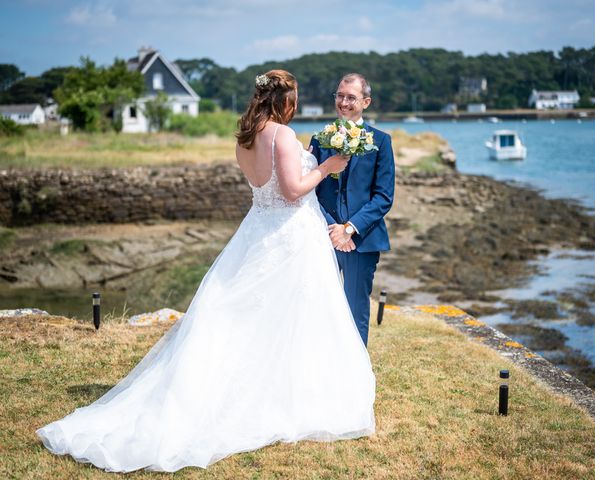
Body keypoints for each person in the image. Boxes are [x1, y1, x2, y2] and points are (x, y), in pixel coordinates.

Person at [36, 70, 376, 473]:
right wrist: (327, 167)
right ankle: (281, 397)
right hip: (288, 235)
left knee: (256, 316)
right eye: (295, 99)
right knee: (289, 314)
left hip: (257, 230)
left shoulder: (246, 139)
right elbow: (291, 191)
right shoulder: (282, 136)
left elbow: (262, 189)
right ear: (283, 101)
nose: (297, 106)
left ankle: (272, 387)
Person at [309, 73, 395, 347]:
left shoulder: (381, 141)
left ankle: (355, 375)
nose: (343, 102)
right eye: (339, 95)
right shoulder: (320, 138)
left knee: (356, 311)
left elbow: (383, 196)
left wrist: (348, 229)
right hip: (322, 237)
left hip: (362, 239)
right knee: (319, 307)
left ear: (366, 102)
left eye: (351, 97)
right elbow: (311, 189)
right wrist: (331, 228)